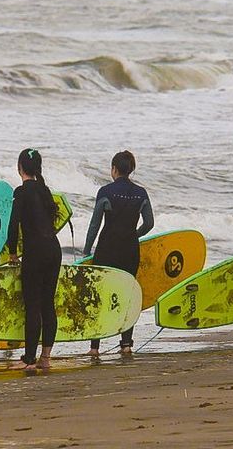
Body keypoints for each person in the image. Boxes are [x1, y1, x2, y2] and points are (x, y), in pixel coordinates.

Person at [83, 150, 154, 355]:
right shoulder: (141, 193)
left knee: (99, 295)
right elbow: (149, 223)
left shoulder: (106, 192)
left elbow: (94, 225)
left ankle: (95, 347)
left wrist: (87, 251)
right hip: (129, 250)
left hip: (107, 249)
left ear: (114, 169)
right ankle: (126, 344)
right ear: (131, 169)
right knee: (127, 294)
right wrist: (134, 235)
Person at [7, 148, 61, 371]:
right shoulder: (44, 190)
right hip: (53, 249)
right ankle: (45, 357)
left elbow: (13, 225)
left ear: (20, 167)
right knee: (48, 303)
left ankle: (29, 359)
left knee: (33, 305)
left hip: (36, 252)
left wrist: (12, 253)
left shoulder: (21, 192)